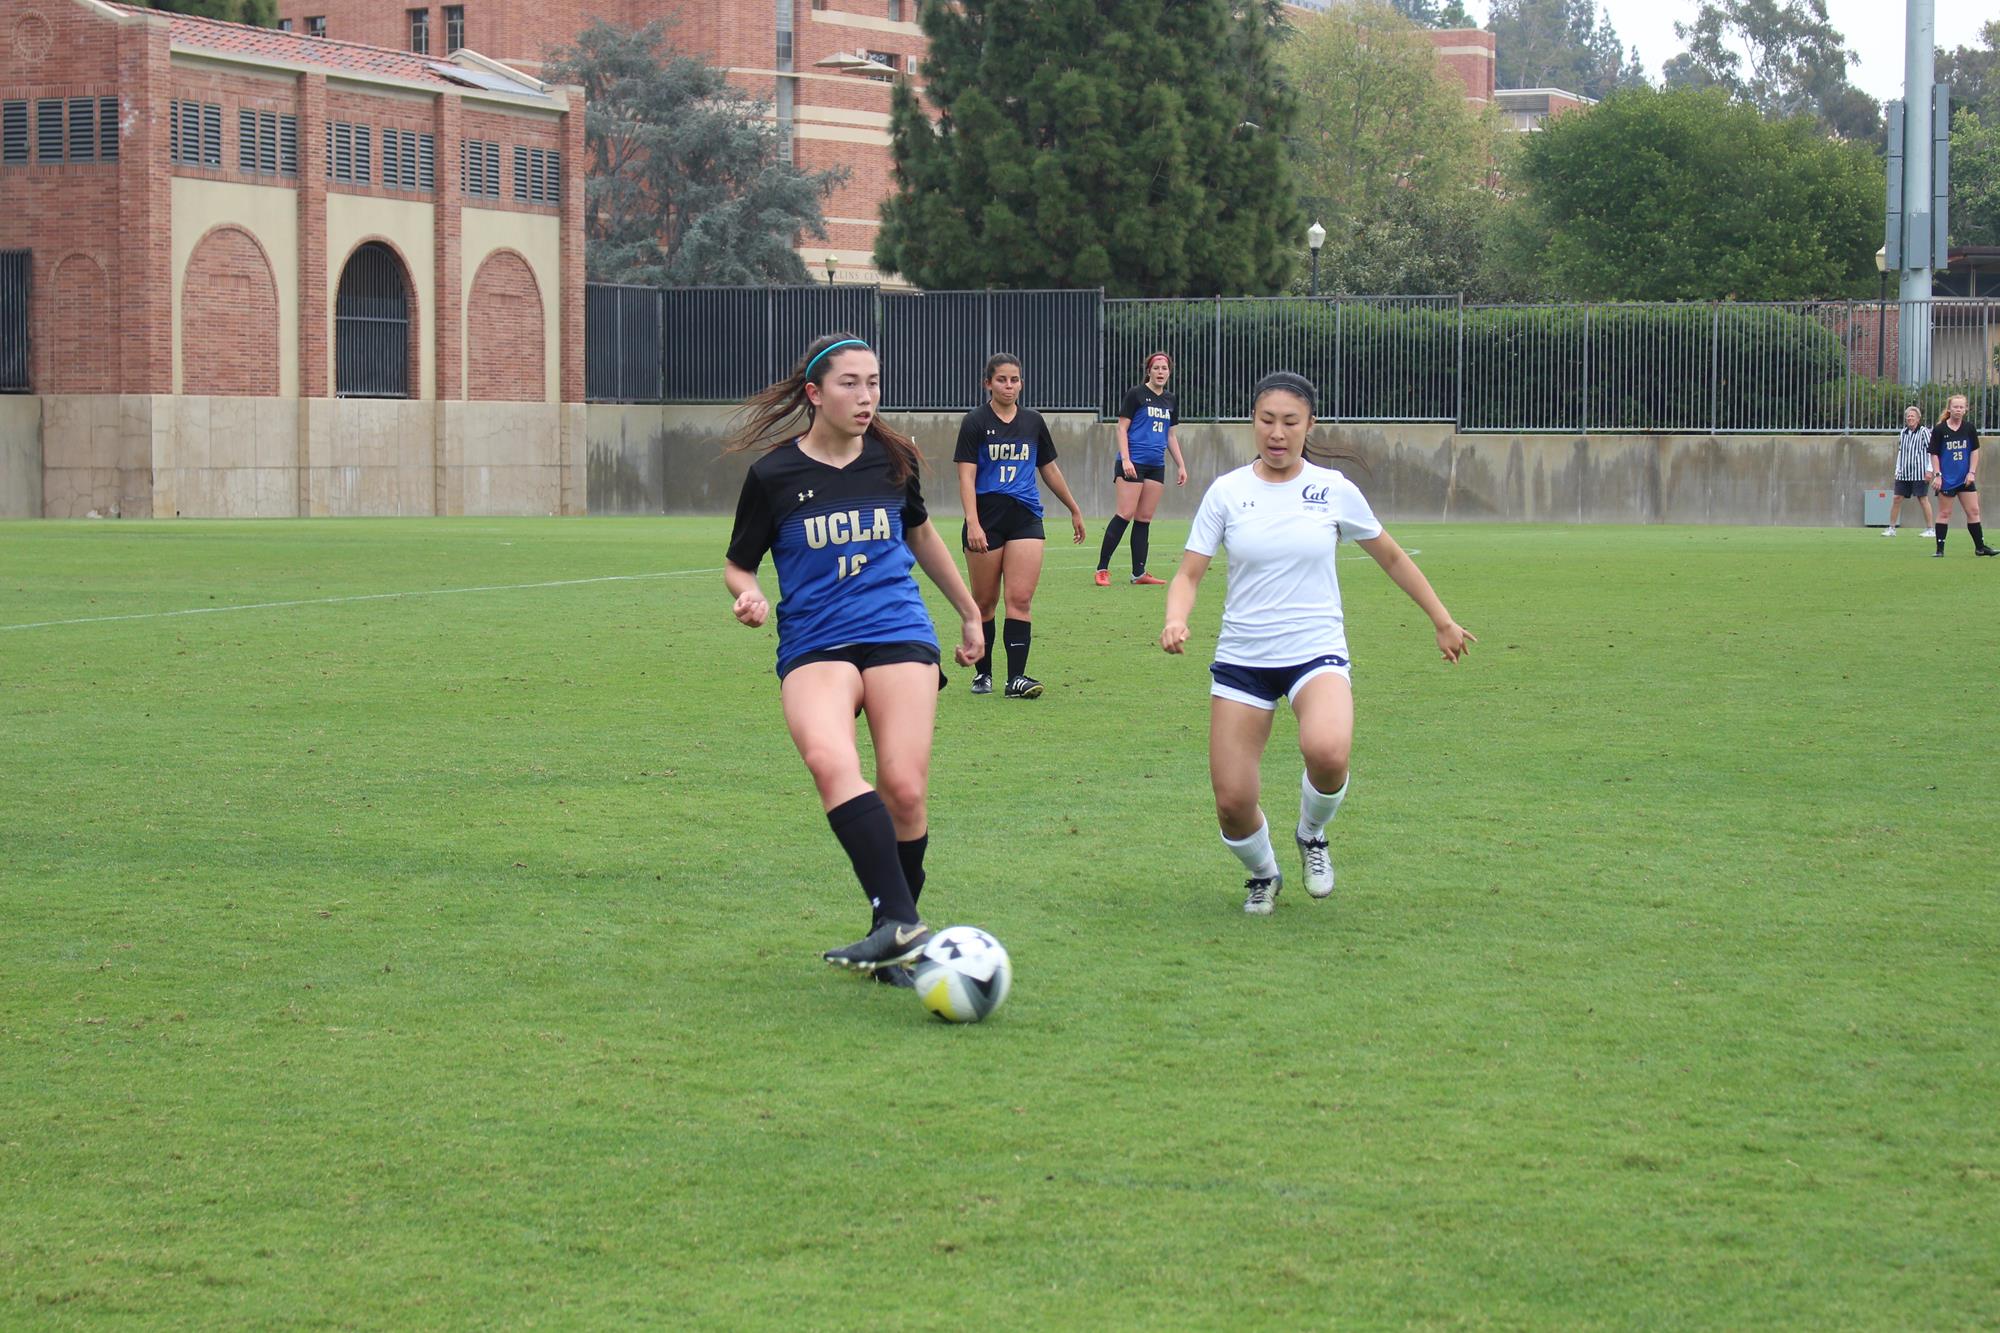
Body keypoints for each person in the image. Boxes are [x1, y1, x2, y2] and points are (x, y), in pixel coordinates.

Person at [1159, 371, 1475, 915]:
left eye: (1289, 422)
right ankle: (1263, 873)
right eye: (1266, 421)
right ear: (1251, 422)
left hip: (1315, 650)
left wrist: (1441, 619)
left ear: (1309, 426)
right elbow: (1189, 574)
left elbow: (1394, 557)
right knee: (1233, 803)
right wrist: (1176, 618)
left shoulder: (1333, 491)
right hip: (1243, 660)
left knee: (1327, 752)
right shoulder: (1228, 492)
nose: (1277, 433)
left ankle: (1312, 834)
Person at [724, 333, 985, 979]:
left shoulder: (895, 458)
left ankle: (893, 930)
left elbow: (921, 533)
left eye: (873, 381)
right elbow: (738, 565)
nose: (866, 395)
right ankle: (899, 921)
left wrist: (970, 610)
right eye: (850, 383)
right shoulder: (774, 474)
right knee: (828, 759)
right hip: (815, 640)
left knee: (904, 786)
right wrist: (749, 594)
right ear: (815, 393)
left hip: (896, 628)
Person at [956, 352, 1087, 698]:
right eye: (1001, 379)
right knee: (984, 602)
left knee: (1021, 599)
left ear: (1021, 383)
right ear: (988, 383)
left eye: (1014, 380)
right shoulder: (975, 422)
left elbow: (1049, 468)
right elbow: (967, 477)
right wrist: (973, 522)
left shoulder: (1032, 421)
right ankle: (983, 674)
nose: (1009, 386)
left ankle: (1016, 679)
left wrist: (1073, 508)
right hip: (987, 517)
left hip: (1026, 516)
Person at [1097, 351, 1189, 587]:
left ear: (1169, 372)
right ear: (1148, 370)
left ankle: (1138, 573)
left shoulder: (1170, 400)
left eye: (1164, 368)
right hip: (1133, 462)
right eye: (1156, 368)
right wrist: (1126, 459)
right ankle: (1102, 568)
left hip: (1156, 465)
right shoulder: (1136, 394)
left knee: (1144, 518)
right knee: (1125, 513)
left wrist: (1181, 464)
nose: (1160, 372)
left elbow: (1170, 435)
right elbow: (1121, 428)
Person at [1928, 394, 1994, 558]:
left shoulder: (1969, 428)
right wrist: (1938, 475)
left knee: (1973, 511)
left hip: (1965, 478)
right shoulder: (1940, 429)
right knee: (1944, 513)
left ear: (1966, 409)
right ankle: (1940, 550)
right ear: (1949, 409)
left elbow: (1974, 451)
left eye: (1961, 407)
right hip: (1947, 479)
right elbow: (1934, 454)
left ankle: (1980, 548)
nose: (1958, 410)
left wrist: (1971, 472)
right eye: (1955, 407)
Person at [1883, 405, 1936, 538]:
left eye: (1912, 416)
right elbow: (1901, 452)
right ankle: (1891, 528)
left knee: (1922, 498)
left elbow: (1932, 451)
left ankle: (1930, 529)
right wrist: (1897, 469)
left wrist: (1930, 470)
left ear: (1918, 418)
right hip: (1904, 472)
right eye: (1908, 416)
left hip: (1920, 472)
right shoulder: (1903, 433)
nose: (1910, 418)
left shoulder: (1924, 432)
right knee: (1896, 498)